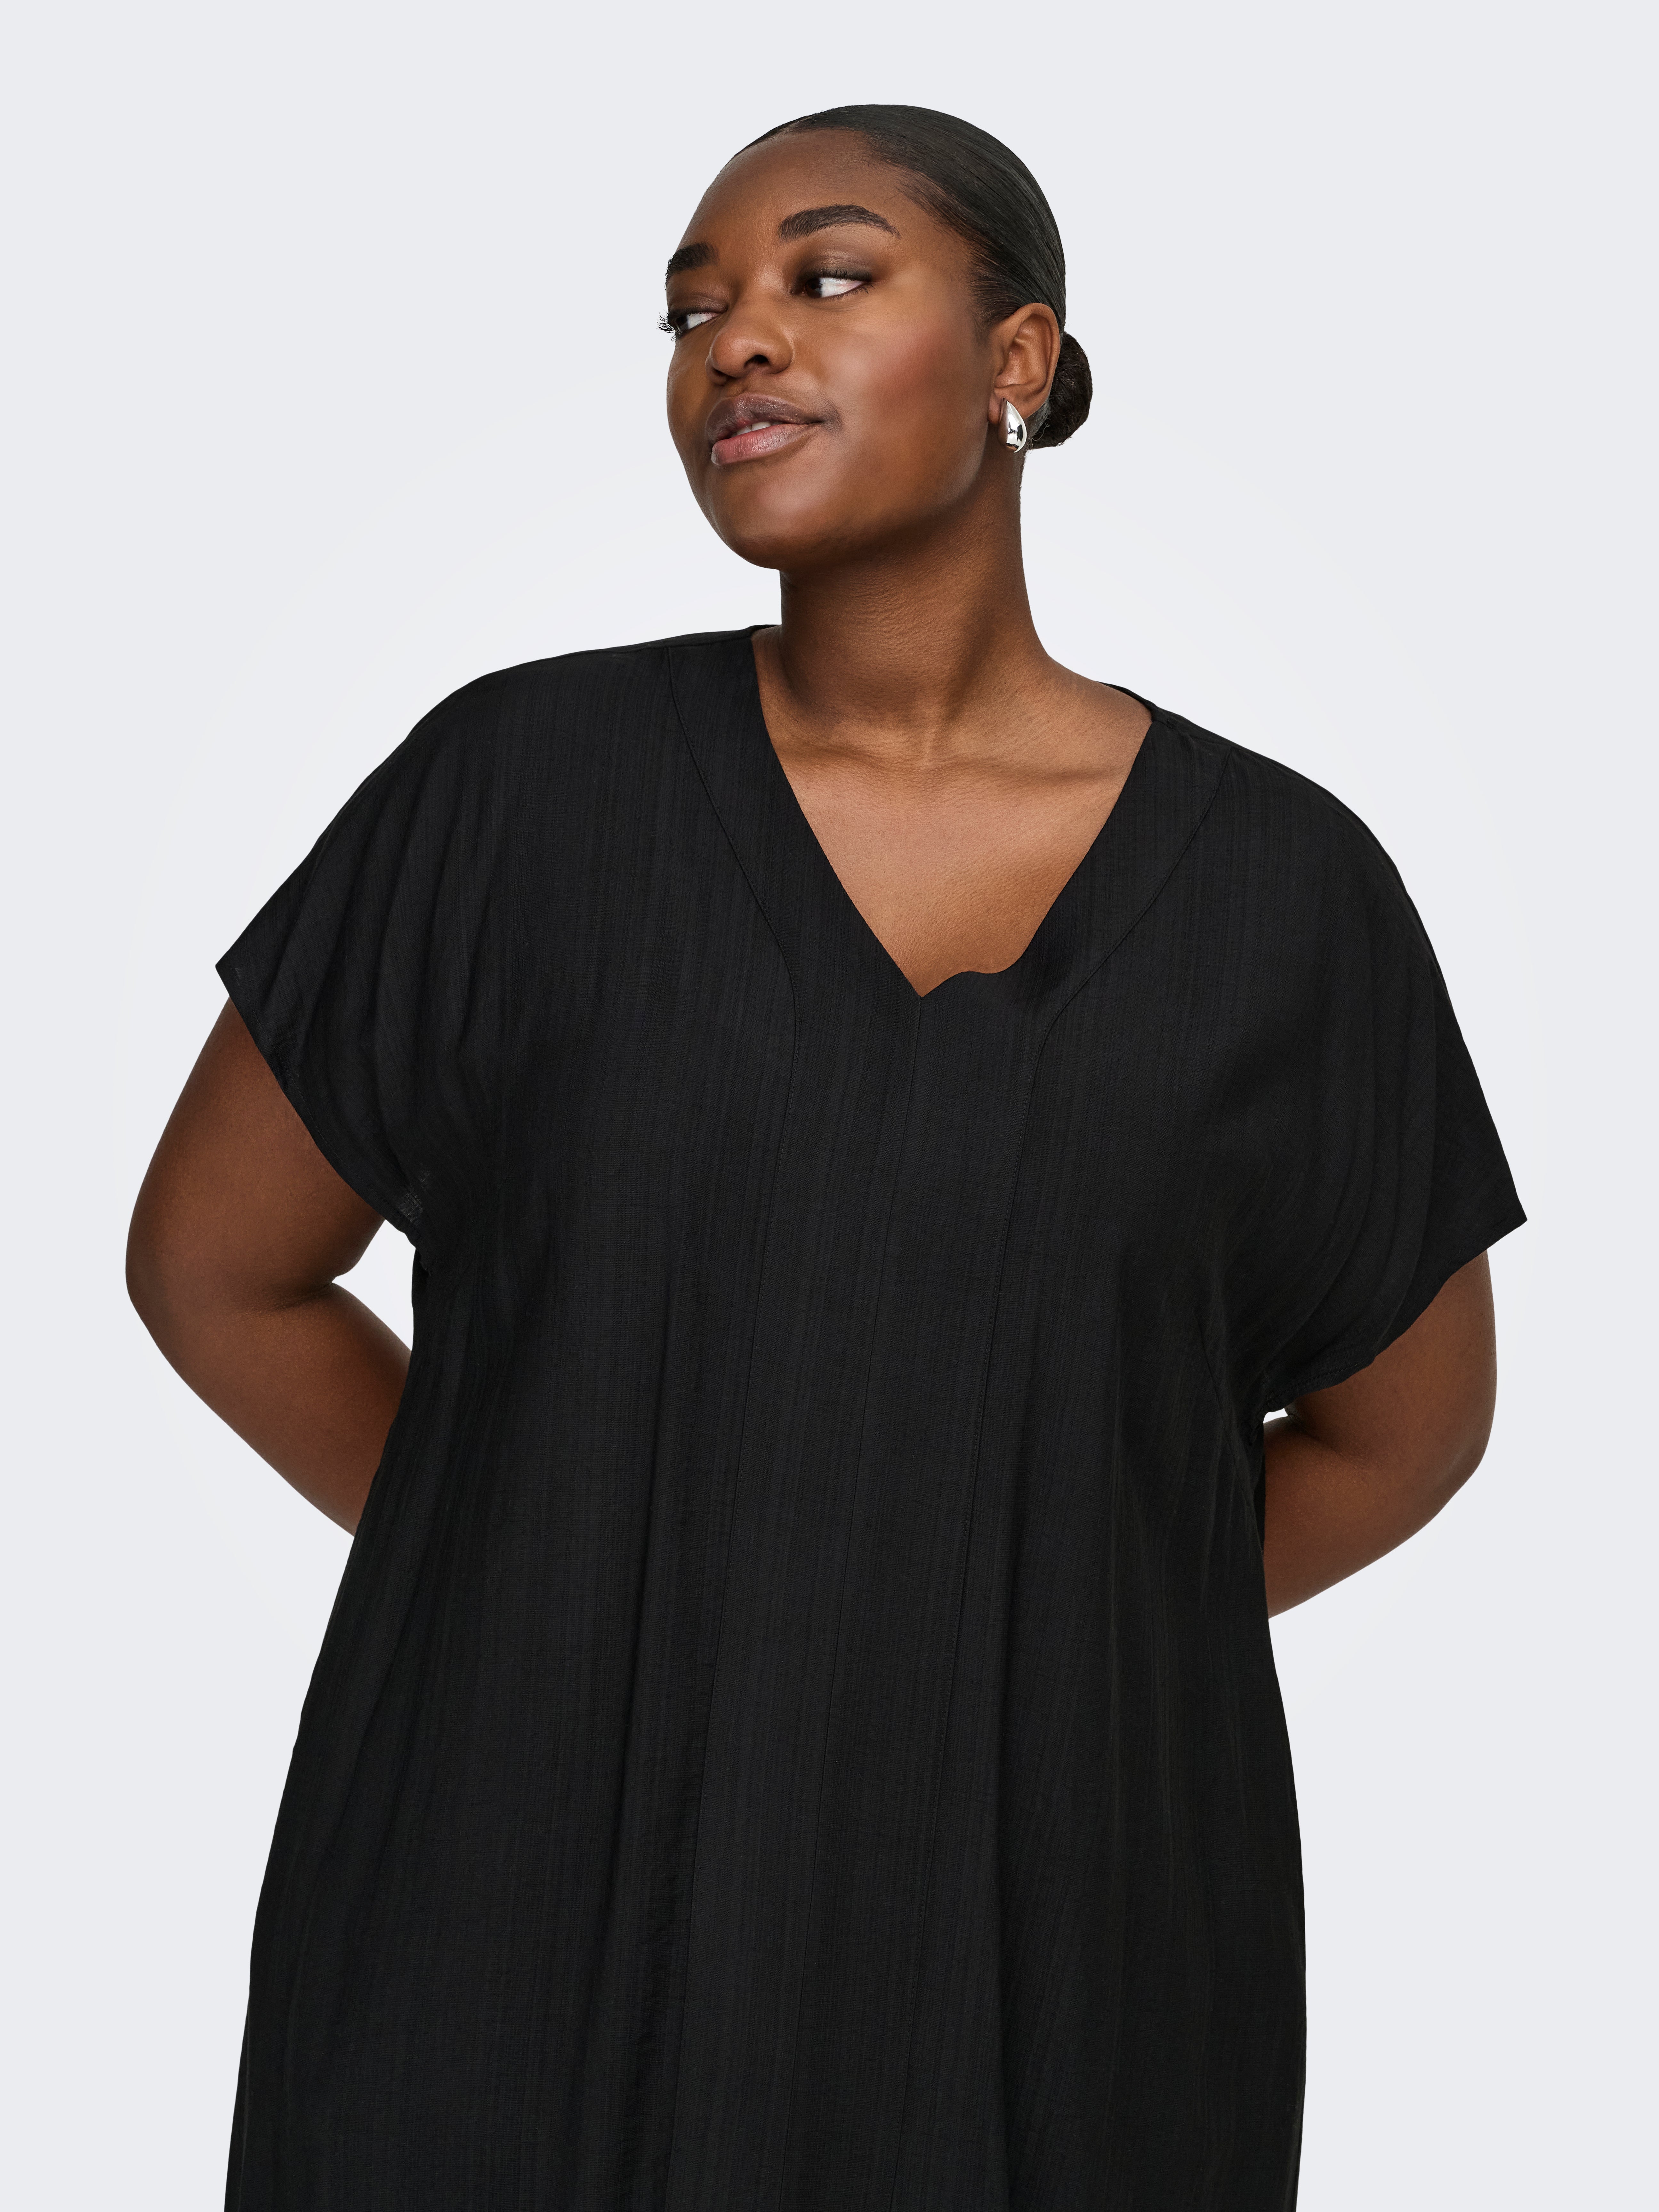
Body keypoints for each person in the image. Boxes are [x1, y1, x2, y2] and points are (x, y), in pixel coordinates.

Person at [127, 104, 1525, 2212]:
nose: (738, 340)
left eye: (829, 277)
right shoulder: (518, 796)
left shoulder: (1285, 897)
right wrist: (555, 1570)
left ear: (1019, 360)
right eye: (692, 310)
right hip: (511, 1918)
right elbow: (217, 1269)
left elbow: (1406, 1431)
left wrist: (1017, 1619)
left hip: (1073, 1939)